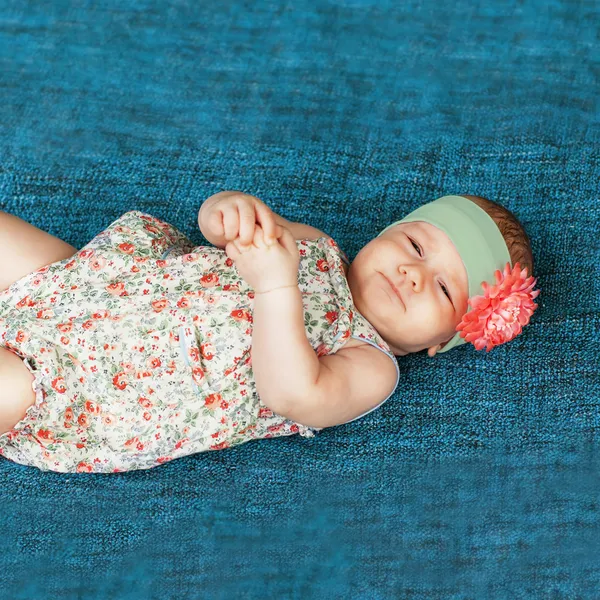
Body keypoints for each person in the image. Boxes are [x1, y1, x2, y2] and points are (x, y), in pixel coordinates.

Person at [0, 191, 539, 473]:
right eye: (415, 246)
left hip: (100, 390)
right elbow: (221, 229)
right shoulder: (315, 245)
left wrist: (276, 287)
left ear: (438, 342)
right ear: (387, 231)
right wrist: (227, 212)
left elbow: (291, 393)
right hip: (99, 288)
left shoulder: (371, 364)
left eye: (445, 291)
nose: (413, 275)